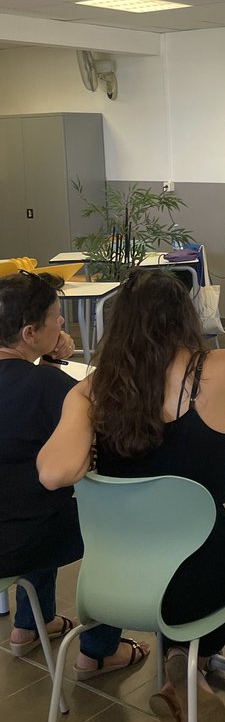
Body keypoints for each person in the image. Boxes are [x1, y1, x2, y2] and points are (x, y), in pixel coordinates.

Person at [38, 269, 225, 722]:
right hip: (196, 579)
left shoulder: (93, 390)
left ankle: (184, 668)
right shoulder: (223, 367)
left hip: (114, 580)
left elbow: (53, 474)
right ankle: (193, 662)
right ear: (185, 318)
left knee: (211, 542)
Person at [0, 271, 148, 678]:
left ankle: (30, 625)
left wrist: (44, 357)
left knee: (28, 497)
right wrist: (49, 366)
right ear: (30, 332)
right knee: (110, 526)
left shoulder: (38, 375)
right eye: (55, 319)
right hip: (19, 540)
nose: (62, 325)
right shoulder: (48, 384)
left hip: (9, 525)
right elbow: (94, 418)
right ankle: (99, 650)